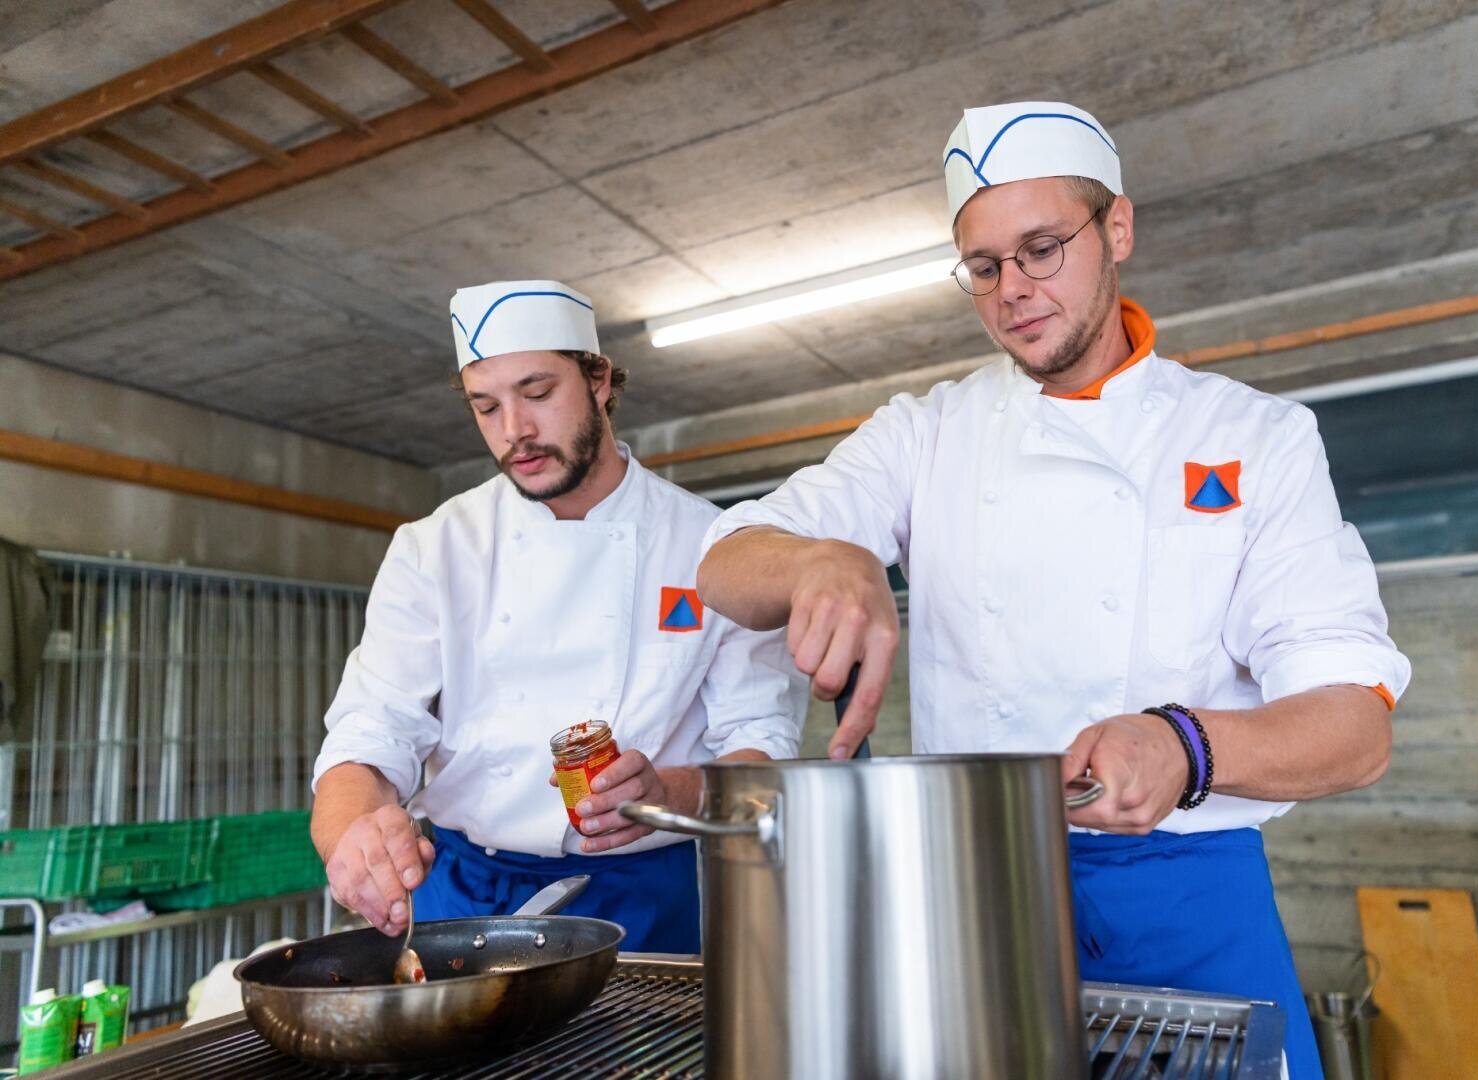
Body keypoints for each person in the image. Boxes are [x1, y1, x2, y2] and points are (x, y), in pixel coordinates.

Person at [695, 103, 1411, 1076]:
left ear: (1117, 227)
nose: (1013, 292)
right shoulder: (927, 431)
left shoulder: (1254, 436)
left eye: (1041, 249)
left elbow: (1355, 729)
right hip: (977, 891)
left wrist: (1184, 742)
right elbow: (725, 560)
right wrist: (819, 562)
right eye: (982, 267)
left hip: (1188, 892)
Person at [312, 279, 805, 953]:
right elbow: (371, 731)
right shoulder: (435, 548)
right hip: (466, 893)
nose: (514, 431)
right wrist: (352, 833)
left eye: (538, 393)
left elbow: (761, 745)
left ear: (599, 378)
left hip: (650, 898)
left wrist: (673, 790)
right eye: (486, 407)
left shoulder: (713, 545)